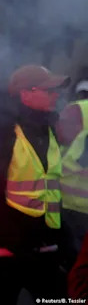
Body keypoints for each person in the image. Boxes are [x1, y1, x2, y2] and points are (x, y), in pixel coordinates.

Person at [0, 66, 68, 304]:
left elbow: (50, 190)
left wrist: (61, 239)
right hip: (4, 252)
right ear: (25, 93)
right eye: (49, 90)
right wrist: (17, 243)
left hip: (44, 247)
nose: (56, 95)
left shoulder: (46, 130)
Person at [55, 76, 88, 268]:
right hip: (70, 208)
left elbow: (68, 164)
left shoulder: (83, 138)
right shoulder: (72, 137)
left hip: (77, 210)